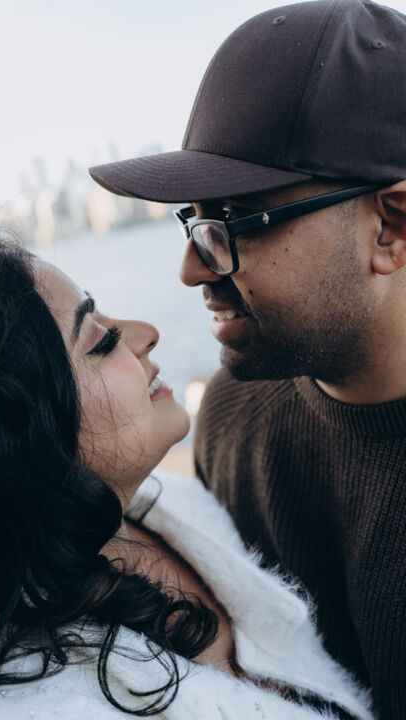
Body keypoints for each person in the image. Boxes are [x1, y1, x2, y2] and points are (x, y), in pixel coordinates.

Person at [88, 1, 406, 718]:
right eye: (196, 220)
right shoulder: (234, 414)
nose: (190, 270)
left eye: (234, 220)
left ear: (390, 226)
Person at [0, 235, 375, 720]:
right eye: (102, 341)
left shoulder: (178, 504)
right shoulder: (14, 709)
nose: (146, 332)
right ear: (14, 433)